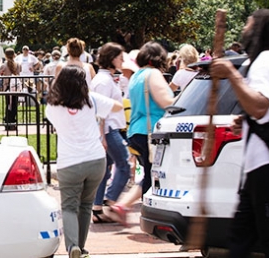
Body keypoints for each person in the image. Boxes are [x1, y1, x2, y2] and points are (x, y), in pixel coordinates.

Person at [210, 9, 269, 258]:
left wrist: (230, 73)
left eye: (248, 24)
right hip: (256, 169)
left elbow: (260, 106)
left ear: (259, 30)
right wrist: (246, 120)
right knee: (240, 238)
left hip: (267, 166)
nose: (244, 29)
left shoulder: (264, 61)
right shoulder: (264, 61)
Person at [46, 65, 123, 258]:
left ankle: (73, 247)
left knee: (69, 206)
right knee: (86, 205)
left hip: (69, 162)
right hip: (95, 159)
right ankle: (82, 246)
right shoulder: (92, 101)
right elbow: (118, 106)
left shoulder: (52, 106)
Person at [106, 42, 174, 226]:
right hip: (151, 132)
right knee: (154, 177)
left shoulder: (137, 76)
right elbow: (166, 101)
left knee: (149, 175)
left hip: (137, 131)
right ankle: (149, 216)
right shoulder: (153, 74)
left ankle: (123, 205)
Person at [90, 43, 131, 223]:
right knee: (124, 164)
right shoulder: (103, 81)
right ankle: (110, 199)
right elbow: (99, 110)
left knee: (105, 171)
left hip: (110, 129)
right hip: (109, 130)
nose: (123, 61)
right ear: (111, 58)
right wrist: (102, 136)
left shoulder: (106, 79)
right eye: (120, 57)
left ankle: (98, 207)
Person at [0, 48, 21, 130]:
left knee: (8, 105)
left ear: (6, 55)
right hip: (16, 87)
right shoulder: (18, 64)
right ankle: (13, 122)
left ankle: (8, 122)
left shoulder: (4, 65)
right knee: (14, 105)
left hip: (7, 86)